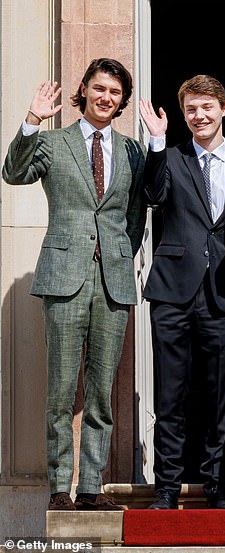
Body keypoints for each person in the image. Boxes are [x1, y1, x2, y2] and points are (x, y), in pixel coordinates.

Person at [2, 58, 146, 511]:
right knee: (62, 390)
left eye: (115, 92)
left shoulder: (132, 151)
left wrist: (120, 252)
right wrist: (30, 120)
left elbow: (136, 214)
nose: (107, 98)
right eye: (99, 89)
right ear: (83, 90)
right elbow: (14, 172)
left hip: (113, 281)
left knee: (101, 392)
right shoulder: (54, 142)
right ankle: (59, 489)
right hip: (65, 279)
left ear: (122, 100)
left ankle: (91, 489)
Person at [139, 75, 225, 510]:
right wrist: (156, 142)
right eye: (191, 109)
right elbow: (153, 196)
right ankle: (167, 489)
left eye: (206, 107)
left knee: (220, 397)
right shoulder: (169, 158)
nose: (199, 116)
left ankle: (216, 487)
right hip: (173, 292)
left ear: (223, 109)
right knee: (170, 395)